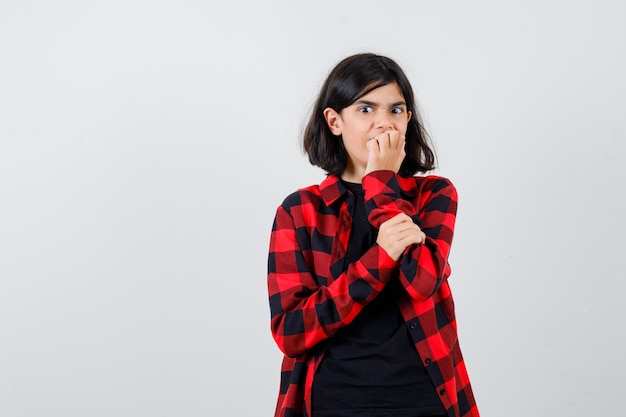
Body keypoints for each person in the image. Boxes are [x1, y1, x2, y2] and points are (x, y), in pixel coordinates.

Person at [267, 53, 479, 417]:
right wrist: (381, 256)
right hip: (332, 401)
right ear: (334, 121)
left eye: (396, 111)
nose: (384, 124)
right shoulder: (300, 210)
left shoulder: (434, 195)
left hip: (424, 399)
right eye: (366, 110)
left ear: (408, 120)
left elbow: (423, 280)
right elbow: (291, 332)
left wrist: (381, 184)